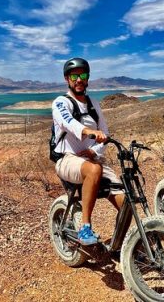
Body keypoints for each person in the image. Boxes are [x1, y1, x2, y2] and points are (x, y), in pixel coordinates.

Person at [52, 57, 125, 246]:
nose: (79, 80)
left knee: (126, 202)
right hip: (67, 159)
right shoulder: (61, 102)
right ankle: (85, 227)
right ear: (67, 79)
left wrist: (94, 151)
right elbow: (69, 122)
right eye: (74, 76)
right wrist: (88, 132)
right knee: (94, 170)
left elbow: (105, 132)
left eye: (82, 75)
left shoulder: (93, 103)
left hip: (92, 160)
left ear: (88, 78)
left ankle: (119, 245)